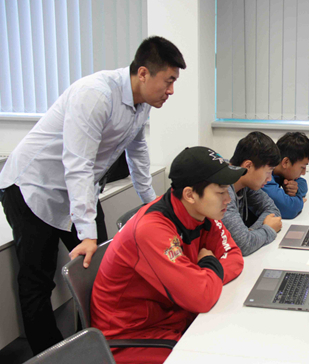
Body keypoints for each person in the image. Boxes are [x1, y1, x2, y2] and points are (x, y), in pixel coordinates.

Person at [0, 36, 186, 354]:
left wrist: (152, 204)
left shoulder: (141, 104)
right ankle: (52, 357)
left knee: (100, 272)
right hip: (33, 188)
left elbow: (138, 153)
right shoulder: (96, 95)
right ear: (143, 73)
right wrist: (86, 233)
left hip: (78, 190)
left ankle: (96, 347)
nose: (171, 91)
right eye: (168, 81)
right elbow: (78, 165)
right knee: (37, 282)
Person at [91, 146, 245, 364]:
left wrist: (203, 278)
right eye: (220, 192)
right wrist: (210, 263)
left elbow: (234, 256)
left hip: (174, 317)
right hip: (131, 338)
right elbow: (201, 297)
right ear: (190, 195)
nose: (228, 199)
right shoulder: (152, 229)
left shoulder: (203, 214)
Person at [222, 131, 282, 256]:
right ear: (248, 166)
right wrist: (268, 229)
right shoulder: (223, 189)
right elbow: (244, 245)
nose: (269, 179)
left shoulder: (245, 182)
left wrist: (251, 233)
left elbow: (272, 210)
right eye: (268, 171)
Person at [262, 132, 309, 219]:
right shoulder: (264, 178)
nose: (303, 173)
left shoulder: (281, 172)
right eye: (302, 167)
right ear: (286, 162)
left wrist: (294, 189)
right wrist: (299, 199)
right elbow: (289, 209)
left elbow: (302, 183)